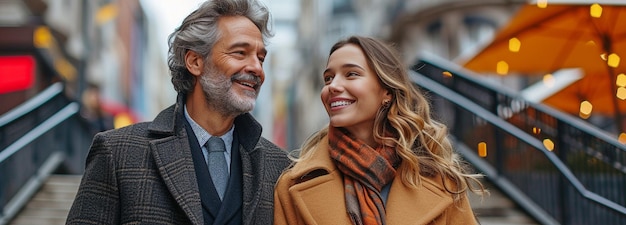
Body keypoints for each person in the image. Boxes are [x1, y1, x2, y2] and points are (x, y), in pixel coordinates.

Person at [66, 0, 291, 224]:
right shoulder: (118, 154)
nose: (257, 68)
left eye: (261, 58)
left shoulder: (279, 167)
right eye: (240, 53)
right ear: (194, 62)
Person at [274, 36, 485, 225]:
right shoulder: (293, 185)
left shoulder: (441, 180)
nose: (333, 86)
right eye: (328, 78)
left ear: (387, 91)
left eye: (351, 74)